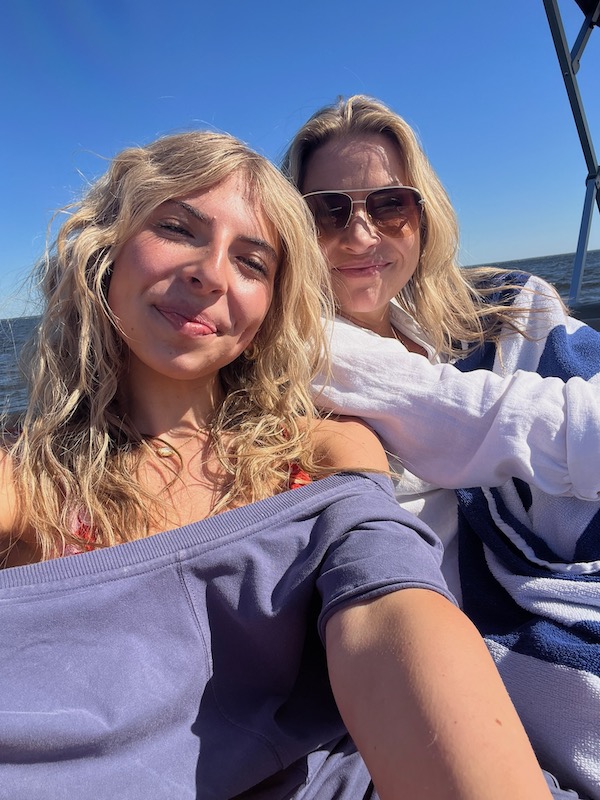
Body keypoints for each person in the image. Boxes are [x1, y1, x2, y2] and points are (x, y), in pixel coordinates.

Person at [0, 131, 552, 799]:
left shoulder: (319, 453)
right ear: (107, 250)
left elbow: (389, 611)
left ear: (269, 311)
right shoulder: (29, 477)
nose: (211, 271)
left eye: (252, 262)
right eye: (178, 229)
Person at [283, 93, 600, 800]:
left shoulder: (499, 317)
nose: (361, 235)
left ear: (423, 215)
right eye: (328, 212)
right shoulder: (284, 373)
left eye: (389, 206)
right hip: (437, 660)